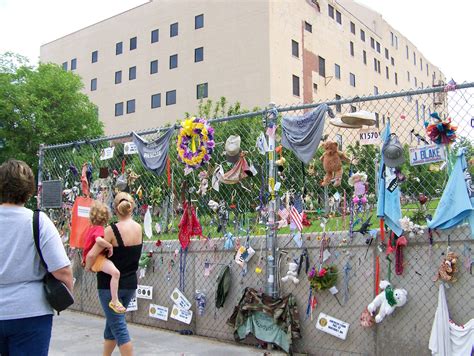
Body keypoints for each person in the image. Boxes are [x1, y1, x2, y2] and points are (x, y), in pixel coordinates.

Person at [0, 159, 73, 356]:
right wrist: (66, 294)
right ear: (29, 188)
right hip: (31, 312)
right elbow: (62, 270)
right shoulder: (38, 222)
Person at [97, 192, 142, 356]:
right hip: (130, 285)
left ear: (115, 208)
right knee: (112, 326)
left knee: (120, 329)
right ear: (132, 207)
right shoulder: (138, 228)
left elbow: (94, 254)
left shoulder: (111, 230)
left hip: (109, 287)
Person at [82, 200, 126, 313]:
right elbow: (98, 240)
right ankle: (115, 300)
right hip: (96, 259)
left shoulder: (90, 228)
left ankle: (114, 300)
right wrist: (109, 246)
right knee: (116, 273)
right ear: (106, 217)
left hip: (90, 259)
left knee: (115, 273)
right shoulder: (99, 229)